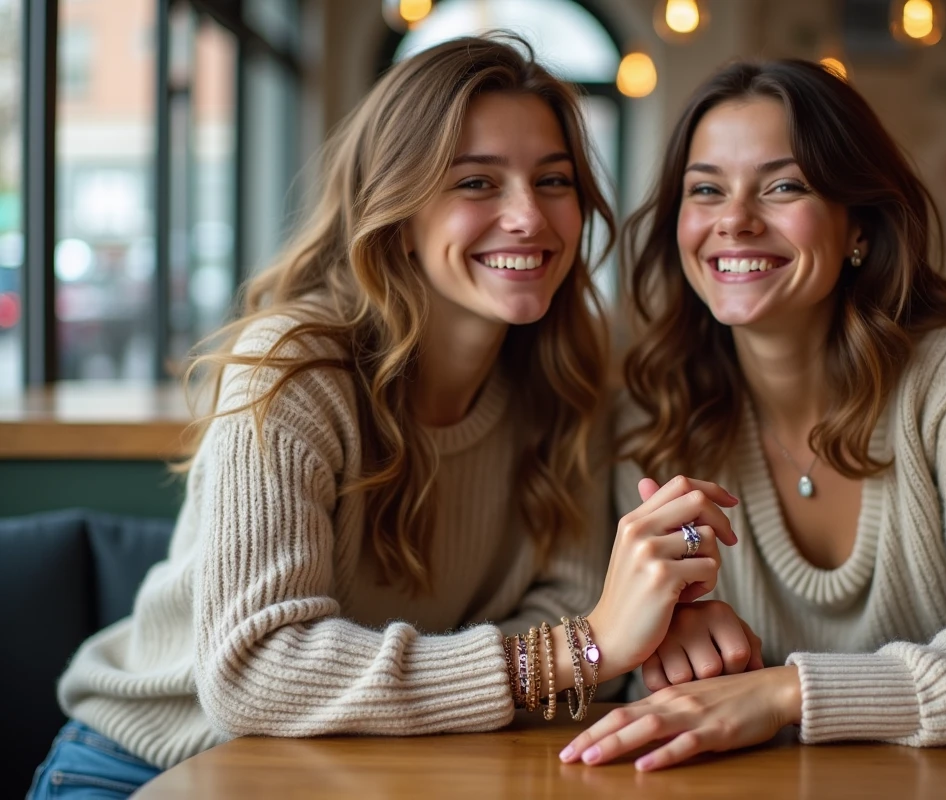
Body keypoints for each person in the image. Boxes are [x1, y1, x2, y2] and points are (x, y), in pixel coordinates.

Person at [27, 36, 739, 799]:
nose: (528, 216)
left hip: (366, 770)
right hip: (146, 766)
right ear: (396, 204)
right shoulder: (294, 369)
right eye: (476, 181)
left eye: (553, 179)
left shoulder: (569, 383)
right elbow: (259, 673)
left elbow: (561, 608)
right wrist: (583, 649)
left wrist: (624, 630)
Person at [560, 57, 946, 772]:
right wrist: (665, 642)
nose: (736, 221)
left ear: (859, 229)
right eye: (706, 190)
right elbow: (628, 694)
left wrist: (787, 691)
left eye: (784, 186)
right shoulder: (655, 412)